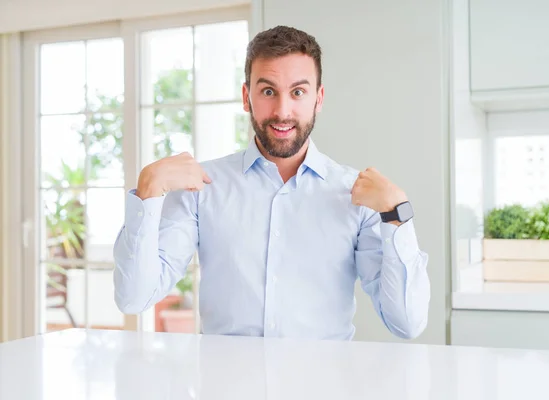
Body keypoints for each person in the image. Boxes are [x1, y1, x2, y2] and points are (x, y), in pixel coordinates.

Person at [113, 25, 430, 341]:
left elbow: (407, 323)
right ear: (246, 97)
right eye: (268, 91)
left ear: (318, 98)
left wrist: (396, 213)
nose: (282, 111)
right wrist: (148, 190)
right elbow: (133, 298)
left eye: (298, 92)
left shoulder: (357, 195)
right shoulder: (203, 187)